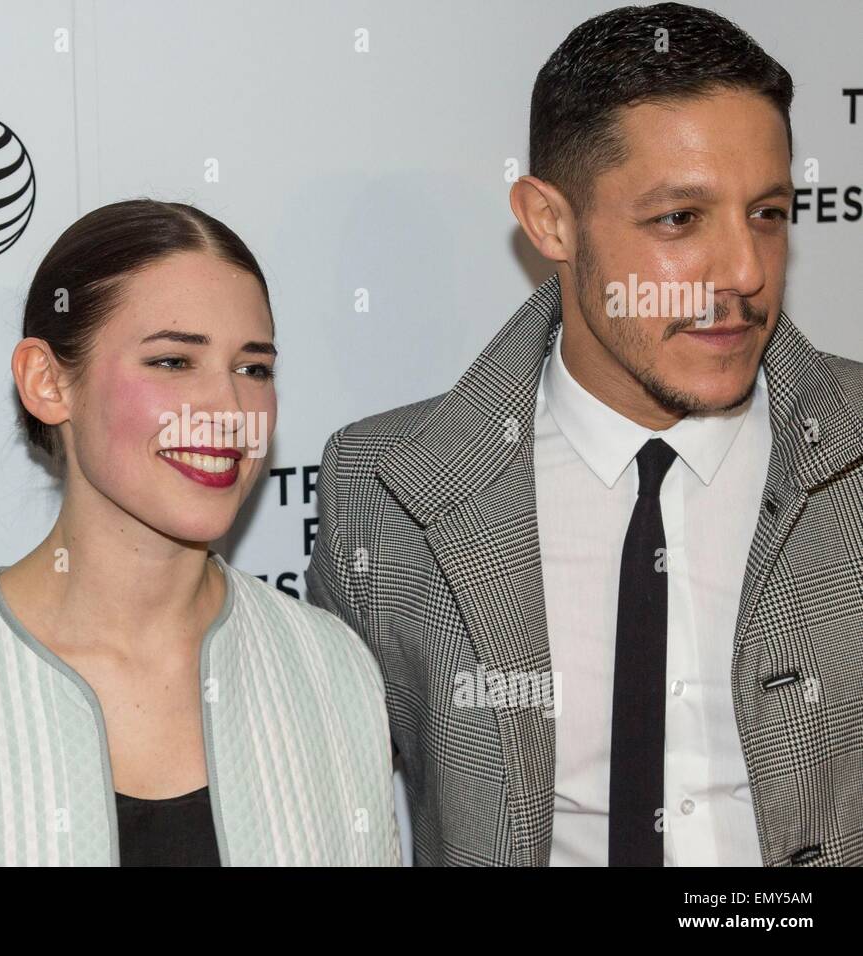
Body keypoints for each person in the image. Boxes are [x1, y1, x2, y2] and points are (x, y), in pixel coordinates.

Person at [307, 2, 863, 866]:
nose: (747, 272)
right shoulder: (379, 493)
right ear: (549, 222)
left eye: (767, 214)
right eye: (680, 220)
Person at [0, 199, 400, 866]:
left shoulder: (330, 669)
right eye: (174, 362)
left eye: (253, 368)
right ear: (48, 381)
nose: (230, 410)